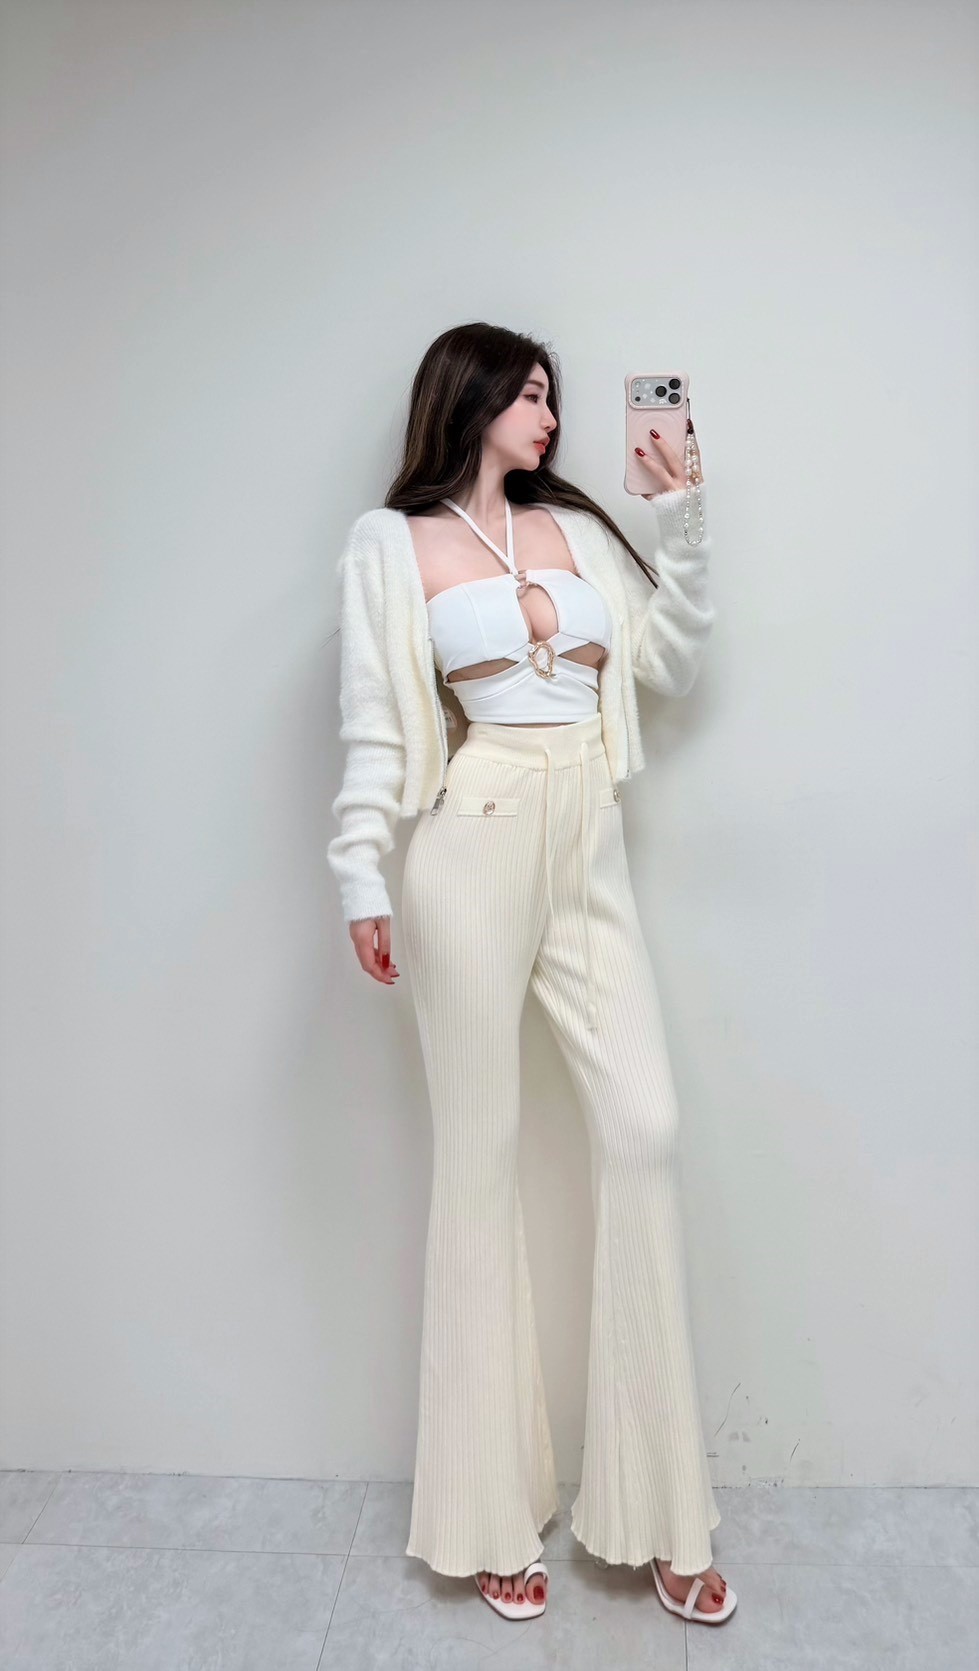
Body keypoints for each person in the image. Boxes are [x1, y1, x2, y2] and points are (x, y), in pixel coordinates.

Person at [327, 322, 736, 1627]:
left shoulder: (584, 533)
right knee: (481, 1159)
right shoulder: (392, 545)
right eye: (530, 392)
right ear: (472, 397)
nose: (549, 414)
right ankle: (489, 1515)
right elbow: (376, 721)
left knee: (645, 1130)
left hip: (587, 841)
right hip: (475, 838)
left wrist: (679, 521)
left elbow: (670, 665)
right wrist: (361, 873)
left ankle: (659, 1512)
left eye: (555, 395)